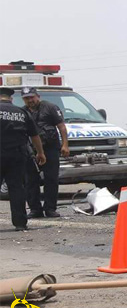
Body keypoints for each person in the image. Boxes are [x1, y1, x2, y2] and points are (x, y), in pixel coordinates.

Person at [0, 87, 46, 230]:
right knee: (17, 188)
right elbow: (34, 136)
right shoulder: (22, 112)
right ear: (11, 99)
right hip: (18, 156)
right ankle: (20, 223)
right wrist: (40, 153)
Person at [22, 87, 69, 218]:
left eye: (32, 97)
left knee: (51, 179)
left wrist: (65, 144)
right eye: (26, 98)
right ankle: (35, 209)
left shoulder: (50, 107)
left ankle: (50, 208)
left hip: (50, 148)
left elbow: (62, 127)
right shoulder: (23, 112)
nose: (30, 100)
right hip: (31, 151)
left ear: (38, 96)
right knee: (30, 180)